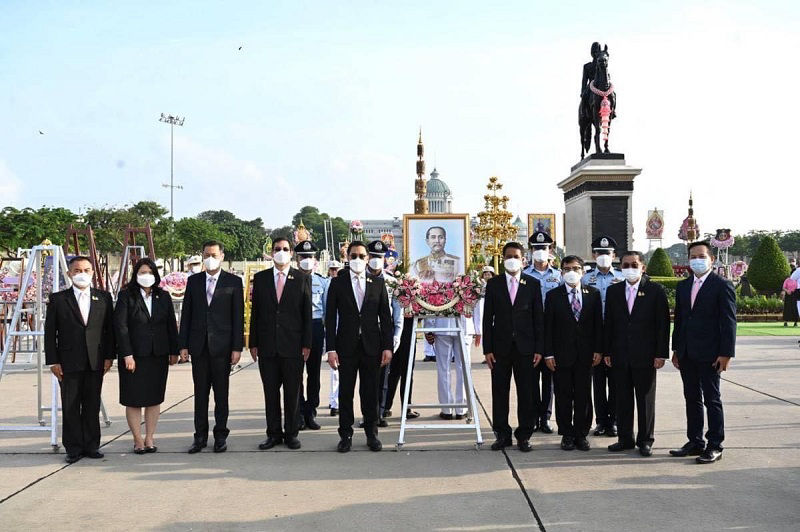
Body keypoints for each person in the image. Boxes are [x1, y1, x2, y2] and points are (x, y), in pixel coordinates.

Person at [670, 241, 737, 464]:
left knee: (712, 399)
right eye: (692, 256)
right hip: (687, 352)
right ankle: (695, 441)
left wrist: (726, 353)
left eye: (701, 256)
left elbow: (728, 322)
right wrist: (676, 349)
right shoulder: (684, 286)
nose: (697, 260)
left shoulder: (722, 285)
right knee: (691, 398)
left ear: (711, 259)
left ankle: (715, 444)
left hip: (711, 353)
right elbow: (679, 320)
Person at [45, 256, 115, 463]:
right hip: (68, 361)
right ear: (69, 274)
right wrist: (53, 361)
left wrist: (109, 356)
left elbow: (109, 330)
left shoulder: (103, 298)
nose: (81, 274)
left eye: (86, 270)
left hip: (96, 360)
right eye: (77, 270)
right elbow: (50, 333)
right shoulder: (59, 299)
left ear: (93, 272)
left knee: (92, 404)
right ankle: (73, 448)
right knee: (71, 405)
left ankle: (92, 445)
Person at [325, 241, 393, 452]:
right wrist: (331, 349)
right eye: (353, 255)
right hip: (346, 346)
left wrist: (387, 347)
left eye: (361, 256)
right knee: (346, 392)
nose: (357, 259)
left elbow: (386, 317)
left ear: (367, 258)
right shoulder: (337, 283)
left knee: (370, 392)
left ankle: (372, 434)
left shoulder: (378, 283)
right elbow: (330, 317)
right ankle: (345, 435)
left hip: (372, 346)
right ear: (347, 258)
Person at [179, 240, 244, 454]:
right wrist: (184, 345)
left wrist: (237, 347)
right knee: (200, 395)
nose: (210, 258)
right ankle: (199, 437)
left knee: (221, 395)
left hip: (223, 348)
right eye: (207, 254)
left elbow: (237, 317)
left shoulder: (233, 282)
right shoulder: (194, 281)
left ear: (222, 256)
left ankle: (220, 435)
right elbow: (186, 314)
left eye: (214, 254)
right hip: (199, 347)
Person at [603, 251, 670, 457]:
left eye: (634, 264)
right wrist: (607, 350)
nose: (630, 268)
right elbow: (609, 324)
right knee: (622, 398)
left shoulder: (655, 290)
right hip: (620, 354)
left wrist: (660, 354)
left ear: (643, 267)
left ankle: (645, 440)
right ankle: (625, 439)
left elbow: (663, 325)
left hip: (646, 355)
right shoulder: (614, 291)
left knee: (645, 400)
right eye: (625, 265)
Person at [249, 237, 312, 450]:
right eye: (277, 249)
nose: (281, 252)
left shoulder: (302, 278)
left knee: (293, 392)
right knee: (271, 392)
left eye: (285, 249)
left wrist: (307, 344)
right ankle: (273, 433)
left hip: (293, 345)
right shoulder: (261, 278)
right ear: (272, 252)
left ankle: (292, 433)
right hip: (267, 346)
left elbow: (306, 315)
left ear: (292, 252)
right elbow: (255, 314)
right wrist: (253, 343)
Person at [114, 258, 179, 454]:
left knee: (153, 398)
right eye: (142, 272)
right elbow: (121, 327)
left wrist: (174, 351)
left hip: (158, 354)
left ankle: (150, 437)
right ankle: (137, 439)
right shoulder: (126, 296)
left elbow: (170, 325)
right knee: (133, 398)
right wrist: (127, 354)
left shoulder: (163, 296)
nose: (146, 276)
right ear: (135, 275)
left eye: (150, 272)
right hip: (134, 356)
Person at [483, 242, 543, 452]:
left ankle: (524, 435)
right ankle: (502, 434)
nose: (512, 259)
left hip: (526, 348)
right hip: (500, 348)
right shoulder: (494, 284)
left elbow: (538, 319)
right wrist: (487, 349)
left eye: (516, 256)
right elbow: (487, 319)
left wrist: (539, 348)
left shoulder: (533, 284)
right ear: (502, 258)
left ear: (523, 259)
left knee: (526, 392)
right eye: (508, 256)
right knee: (500, 392)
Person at [545, 255, 603, 451]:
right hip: (561, 355)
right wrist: (549, 354)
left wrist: (598, 349)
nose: (572, 272)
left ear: (583, 271)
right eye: (567, 268)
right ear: (561, 272)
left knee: (583, 395)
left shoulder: (593, 294)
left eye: (576, 268)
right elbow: (549, 328)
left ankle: (581, 434)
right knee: (563, 395)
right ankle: (567, 434)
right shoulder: (553, 296)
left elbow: (597, 326)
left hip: (586, 355)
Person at [582, 235, 625, 437]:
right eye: (599, 253)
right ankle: (600, 421)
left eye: (607, 253)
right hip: (593, 336)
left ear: (614, 255)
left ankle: (614, 421)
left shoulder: (623, 278)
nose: (603, 256)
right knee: (597, 382)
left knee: (616, 381)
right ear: (593, 255)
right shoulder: (584, 279)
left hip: (616, 335)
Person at [523, 231, 562, 433]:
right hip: (530, 332)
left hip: (553, 332)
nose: (540, 252)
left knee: (549, 379)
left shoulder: (559, 276)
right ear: (531, 251)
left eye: (544, 248)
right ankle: (533, 416)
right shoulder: (524, 276)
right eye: (536, 248)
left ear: (550, 251)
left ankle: (545, 417)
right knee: (530, 378)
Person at [294, 240, 328, 431]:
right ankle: (297, 412)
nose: (306, 260)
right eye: (302, 257)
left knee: (313, 373)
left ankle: (310, 411)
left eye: (310, 257)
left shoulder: (322, 281)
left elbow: (327, 311)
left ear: (315, 259)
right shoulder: (291, 280)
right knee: (295, 373)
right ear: (296, 259)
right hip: (296, 329)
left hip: (315, 327)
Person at [326, 260, 343, 416]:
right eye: (331, 269)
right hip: (333, 333)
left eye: (336, 269)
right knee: (335, 371)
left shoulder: (345, 284)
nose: (334, 272)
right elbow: (328, 314)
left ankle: (339, 401)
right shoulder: (327, 284)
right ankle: (334, 402)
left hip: (346, 334)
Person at [473, 266, 495, 364]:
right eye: (485, 274)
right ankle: (487, 355)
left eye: (489, 274)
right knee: (483, 331)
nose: (487, 276)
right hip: (481, 310)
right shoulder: (480, 285)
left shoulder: (496, 284)